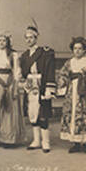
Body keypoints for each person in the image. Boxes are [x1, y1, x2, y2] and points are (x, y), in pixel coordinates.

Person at [57, 37, 86, 154]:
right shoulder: (69, 62)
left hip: (84, 91)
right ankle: (76, 143)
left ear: (84, 50)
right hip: (72, 91)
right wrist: (62, 85)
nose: (77, 51)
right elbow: (63, 75)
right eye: (75, 48)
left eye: (80, 48)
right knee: (72, 115)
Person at [18, 25, 57, 153]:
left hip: (42, 86)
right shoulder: (24, 56)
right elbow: (22, 74)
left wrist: (49, 89)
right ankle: (36, 140)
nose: (29, 40)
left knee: (43, 114)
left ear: (36, 38)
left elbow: (50, 71)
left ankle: (46, 142)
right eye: (27, 38)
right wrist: (22, 82)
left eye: (31, 37)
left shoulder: (45, 53)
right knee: (32, 113)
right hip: (30, 88)